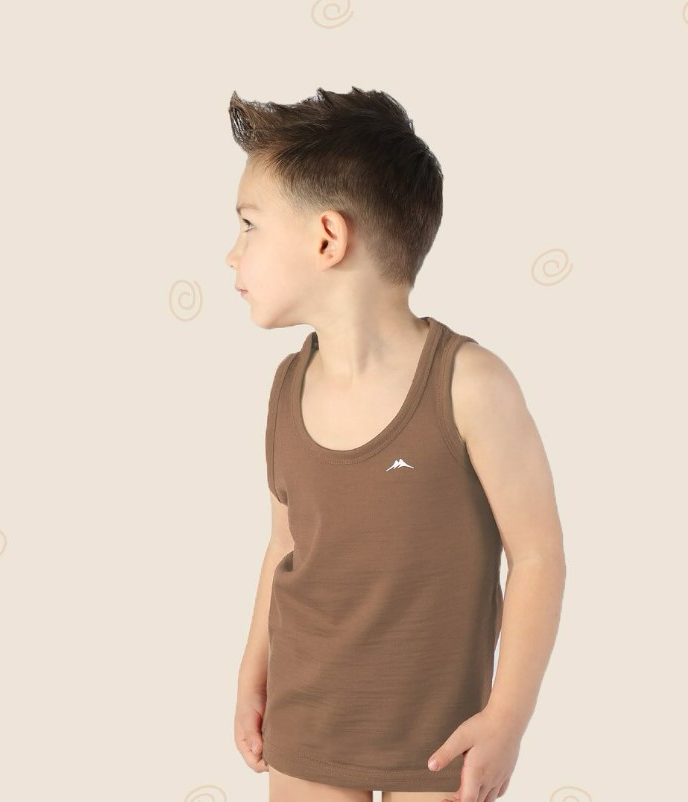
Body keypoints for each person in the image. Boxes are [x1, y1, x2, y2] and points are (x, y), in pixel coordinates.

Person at [227, 87, 566, 802]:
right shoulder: (285, 388)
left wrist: (507, 719)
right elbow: (284, 546)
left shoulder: (470, 384)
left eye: (249, 226)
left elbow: (537, 555)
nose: (232, 255)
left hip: (440, 745)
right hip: (305, 730)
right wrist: (252, 672)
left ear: (327, 238)